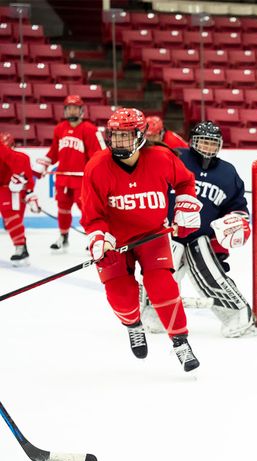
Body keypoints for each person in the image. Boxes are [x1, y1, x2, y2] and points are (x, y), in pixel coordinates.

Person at [80, 107, 202, 372]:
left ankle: (180, 341)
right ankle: (133, 325)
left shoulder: (162, 158)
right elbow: (92, 215)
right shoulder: (97, 167)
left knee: (163, 287)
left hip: (152, 235)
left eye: (125, 136)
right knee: (120, 296)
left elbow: (185, 182)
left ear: (141, 135)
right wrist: (99, 237)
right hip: (115, 241)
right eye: (115, 135)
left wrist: (184, 205)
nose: (118, 142)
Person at [141, 120, 254, 337]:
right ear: (193, 142)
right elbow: (150, 184)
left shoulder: (227, 173)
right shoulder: (175, 158)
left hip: (202, 238)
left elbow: (237, 207)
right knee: (160, 272)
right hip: (168, 233)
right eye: (204, 142)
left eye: (213, 143)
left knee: (210, 272)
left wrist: (237, 221)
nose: (208, 148)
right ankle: (154, 310)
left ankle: (236, 313)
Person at [32, 95, 106, 252]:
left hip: (81, 179)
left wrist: (95, 175)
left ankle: (94, 237)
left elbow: (98, 155)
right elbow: (54, 152)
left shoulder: (89, 129)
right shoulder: (60, 128)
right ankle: (63, 236)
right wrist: (44, 164)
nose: (71, 110)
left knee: (87, 210)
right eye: (68, 107)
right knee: (63, 209)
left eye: (75, 107)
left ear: (81, 110)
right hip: (63, 177)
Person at [0, 132, 35, 266]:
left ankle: (21, 247)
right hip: (5, 189)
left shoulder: (20, 157)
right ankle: (21, 247)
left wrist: (30, 194)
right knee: (12, 220)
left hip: (13, 191)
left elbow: (28, 178)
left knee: (13, 220)